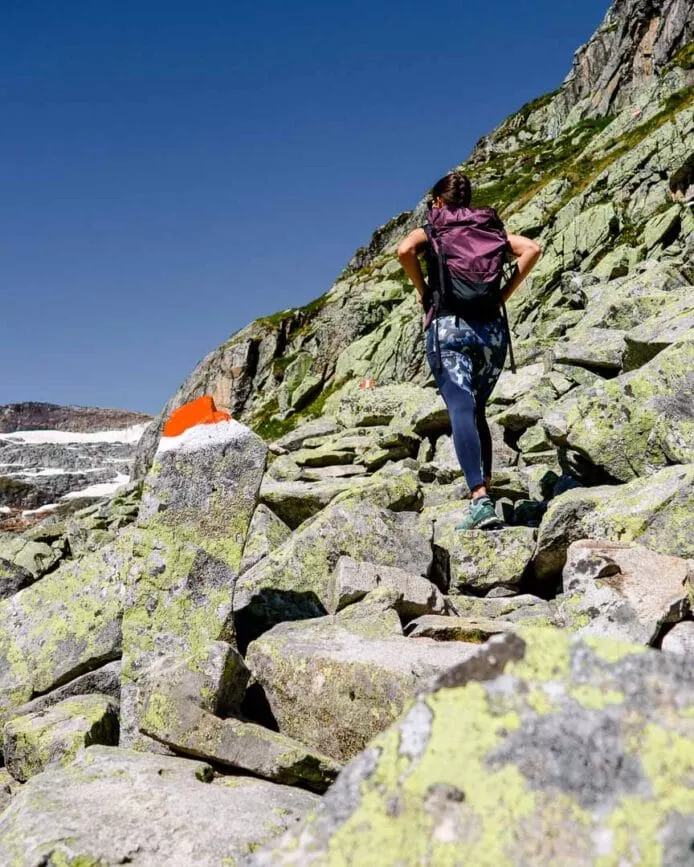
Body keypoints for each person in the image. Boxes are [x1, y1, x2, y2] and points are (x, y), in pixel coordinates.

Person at [397, 171, 542, 530]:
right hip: (492, 333)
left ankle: (479, 499)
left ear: (436, 201)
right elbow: (532, 249)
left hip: (449, 327)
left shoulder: (432, 228)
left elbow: (403, 251)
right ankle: (486, 493)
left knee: (460, 406)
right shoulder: (488, 228)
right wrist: (503, 294)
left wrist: (422, 289)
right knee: (478, 411)